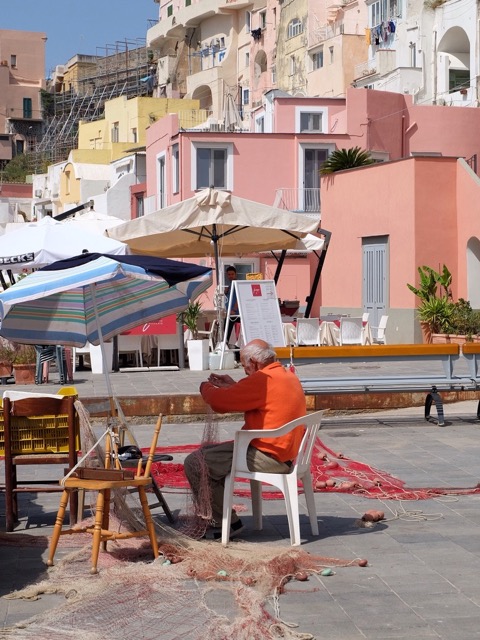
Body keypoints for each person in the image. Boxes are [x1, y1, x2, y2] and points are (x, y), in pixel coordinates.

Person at [183, 339, 307, 539]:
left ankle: (227, 523)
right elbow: (256, 394)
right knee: (209, 456)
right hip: (284, 453)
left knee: (195, 462)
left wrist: (205, 387)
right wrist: (233, 386)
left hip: (267, 455)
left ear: (255, 363)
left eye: (244, 366)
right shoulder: (285, 375)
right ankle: (223, 515)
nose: (244, 371)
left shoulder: (261, 380)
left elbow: (220, 402)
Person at [224, 265, 240, 347]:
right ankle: (229, 348)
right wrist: (225, 292)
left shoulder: (237, 284)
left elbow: (239, 297)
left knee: (229, 332)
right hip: (229, 313)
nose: (230, 276)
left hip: (235, 313)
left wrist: (234, 309)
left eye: (232, 274)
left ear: (235, 274)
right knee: (227, 331)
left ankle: (230, 348)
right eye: (229, 274)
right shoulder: (230, 285)